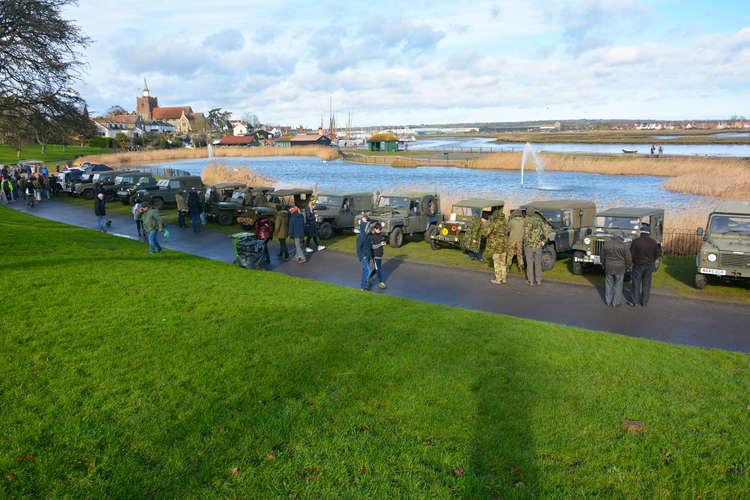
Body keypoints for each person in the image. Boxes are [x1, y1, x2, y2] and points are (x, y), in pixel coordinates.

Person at [630, 225, 661, 307]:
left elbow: (631, 254)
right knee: (646, 284)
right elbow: (657, 254)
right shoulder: (653, 242)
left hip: (637, 265)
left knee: (636, 283)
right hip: (649, 265)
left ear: (641, 232)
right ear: (649, 232)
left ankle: (635, 302)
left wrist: (634, 261)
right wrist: (652, 260)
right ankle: (644, 302)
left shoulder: (636, 241)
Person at [601, 229, 632, 307]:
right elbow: (628, 258)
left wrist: (603, 264)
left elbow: (602, 256)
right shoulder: (624, 245)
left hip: (609, 267)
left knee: (608, 285)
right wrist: (628, 266)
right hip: (620, 268)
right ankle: (616, 303)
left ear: (613, 236)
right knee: (618, 285)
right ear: (620, 236)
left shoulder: (606, 244)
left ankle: (608, 301)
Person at [481, 211, 508, 284]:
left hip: (496, 246)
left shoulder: (493, 223)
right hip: (504, 246)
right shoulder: (505, 223)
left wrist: (484, 225)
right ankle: (504, 278)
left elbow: (485, 233)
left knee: (496, 263)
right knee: (503, 263)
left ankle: (498, 279)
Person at [523, 211, 549, 286]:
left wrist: (526, 242)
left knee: (529, 263)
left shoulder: (526, 221)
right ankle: (538, 280)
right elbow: (546, 233)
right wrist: (543, 241)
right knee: (538, 263)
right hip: (538, 246)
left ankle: (531, 281)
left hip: (529, 246)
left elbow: (525, 234)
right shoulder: (540, 221)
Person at [356, 217, 373, 290]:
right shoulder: (361, 237)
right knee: (368, 271)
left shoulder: (368, 236)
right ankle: (364, 285)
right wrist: (362, 256)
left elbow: (370, 246)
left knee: (365, 270)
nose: (368, 229)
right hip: (364, 256)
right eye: (367, 228)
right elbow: (358, 248)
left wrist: (371, 255)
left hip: (368, 255)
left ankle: (363, 286)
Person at [369, 222, 387, 289]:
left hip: (380, 255)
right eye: (378, 229)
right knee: (378, 269)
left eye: (380, 229)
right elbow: (373, 247)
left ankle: (369, 277)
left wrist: (384, 243)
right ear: (375, 229)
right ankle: (381, 282)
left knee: (377, 269)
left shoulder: (381, 235)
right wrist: (380, 244)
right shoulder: (372, 236)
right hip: (375, 256)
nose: (379, 231)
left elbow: (383, 241)